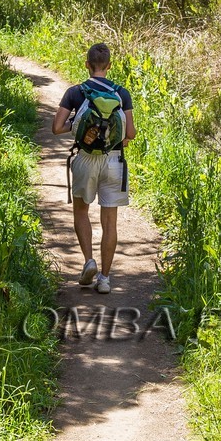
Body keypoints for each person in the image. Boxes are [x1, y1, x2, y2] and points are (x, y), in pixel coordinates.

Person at [52, 42, 136, 294]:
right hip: (114, 160)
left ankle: (89, 261)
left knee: (81, 211)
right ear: (109, 66)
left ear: (87, 64)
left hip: (85, 159)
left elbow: (56, 128)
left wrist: (79, 126)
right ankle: (105, 279)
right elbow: (130, 133)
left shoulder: (75, 92)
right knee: (110, 221)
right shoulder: (122, 93)